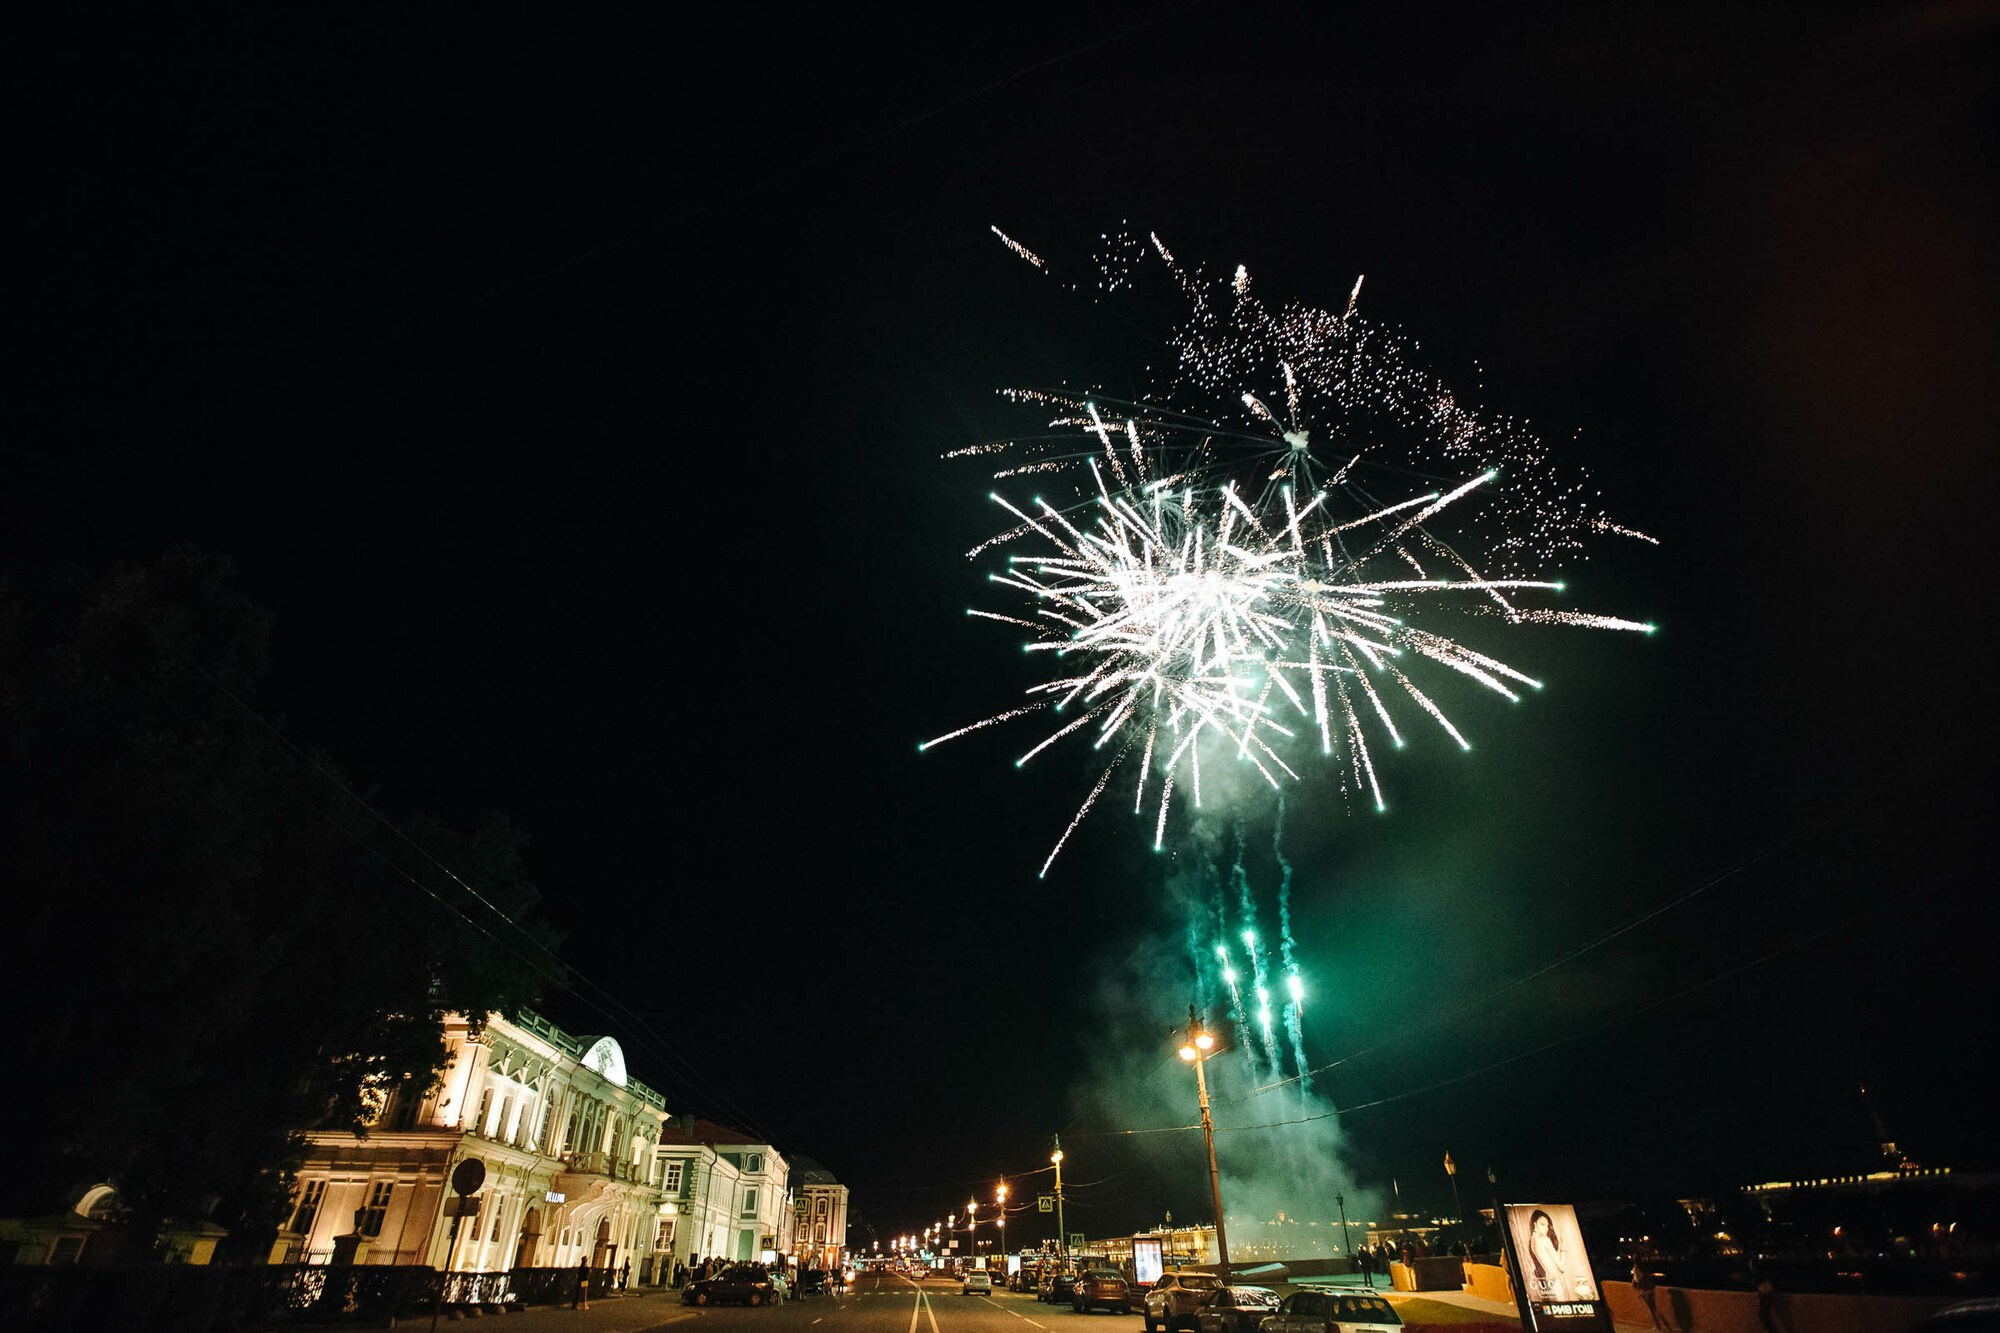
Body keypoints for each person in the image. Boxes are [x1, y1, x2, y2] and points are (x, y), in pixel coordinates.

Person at [1528, 1210, 1572, 1302]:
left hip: (1548, 1280)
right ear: (1535, 1224)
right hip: (1556, 1279)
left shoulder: (1532, 1240)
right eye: (1542, 1224)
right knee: (1562, 1306)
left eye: (1547, 1226)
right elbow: (1561, 1267)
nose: (1546, 1228)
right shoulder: (1545, 1240)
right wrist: (1563, 1246)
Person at [1632, 1261, 1668, 1331]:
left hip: (1645, 1291)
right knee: (1654, 1308)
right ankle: (1663, 1324)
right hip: (1651, 1290)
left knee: (1652, 1310)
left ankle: (1659, 1326)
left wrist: (1638, 1288)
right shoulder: (1645, 1268)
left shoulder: (1636, 1269)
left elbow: (1637, 1280)